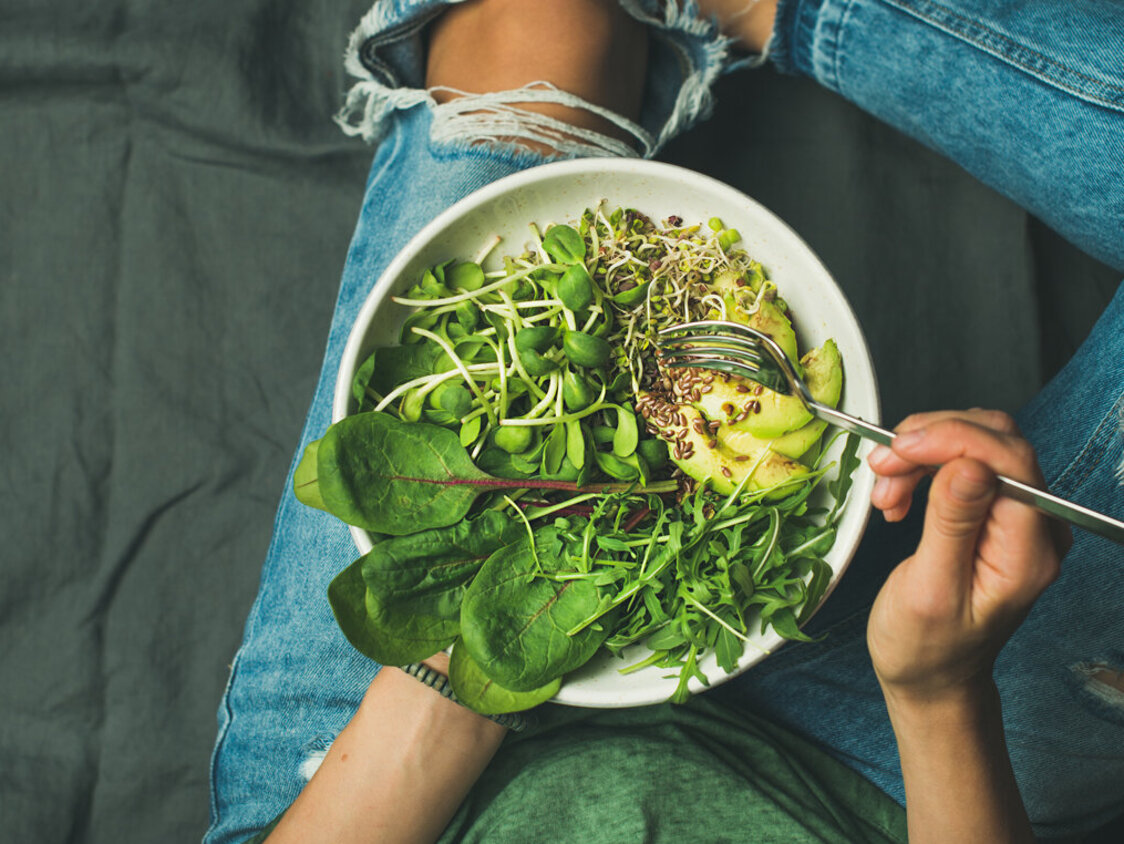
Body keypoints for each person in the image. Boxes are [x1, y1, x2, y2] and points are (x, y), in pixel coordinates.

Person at [203, 1, 1124, 842]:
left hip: (382, 782)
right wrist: (939, 695)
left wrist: (469, 647)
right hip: (878, 773)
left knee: (542, 22)